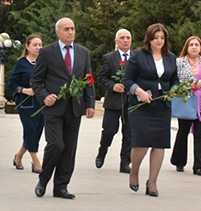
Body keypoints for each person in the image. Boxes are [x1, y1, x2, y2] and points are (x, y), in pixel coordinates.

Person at [30, 18, 96, 200]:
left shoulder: (83, 52)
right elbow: (35, 80)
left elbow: (88, 80)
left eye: (72, 28)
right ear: (57, 32)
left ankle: (61, 187)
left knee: (69, 149)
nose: (70, 32)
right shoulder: (46, 52)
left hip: (74, 108)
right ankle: (43, 180)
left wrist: (90, 104)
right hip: (53, 108)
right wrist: (44, 96)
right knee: (56, 145)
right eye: (66, 29)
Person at [123, 23, 179, 197]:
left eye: (162, 38)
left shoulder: (170, 57)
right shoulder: (138, 55)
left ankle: (152, 182)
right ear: (149, 39)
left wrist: (174, 89)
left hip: (162, 106)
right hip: (141, 106)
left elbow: (175, 80)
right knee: (141, 143)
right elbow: (127, 79)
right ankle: (134, 172)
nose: (159, 41)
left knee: (159, 144)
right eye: (156, 38)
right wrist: (139, 91)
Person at [170, 36, 201, 176]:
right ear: (187, 47)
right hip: (186, 100)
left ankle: (199, 166)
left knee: (200, 133)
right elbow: (173, 79)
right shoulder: (179, 62)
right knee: (183, 131)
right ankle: (179, 161)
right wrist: (180, 87)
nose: (194, 47)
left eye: (196, 45)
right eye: (191, 45)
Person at [96, 28, 133, 174]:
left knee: (129, 133)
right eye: (122, 38)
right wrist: (113, 86)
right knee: (109, 131)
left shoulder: (137, 57)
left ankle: (125, 163)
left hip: (131, 102)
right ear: (116, 41)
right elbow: (101, 78)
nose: (125, 40)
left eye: (128, 38)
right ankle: (102, 152)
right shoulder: (109, 58)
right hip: (113, 102)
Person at [9, 34, 44, 174]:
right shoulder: (21, 63)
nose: (38, 47)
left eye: (40, 45)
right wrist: (24, 90)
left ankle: (18, 156)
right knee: (30, 130)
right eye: (35, 45)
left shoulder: (44, 62)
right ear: (27, 46)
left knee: (37, 132)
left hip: (41, 103)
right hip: (25, 103)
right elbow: (12, 84)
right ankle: (36, 162)